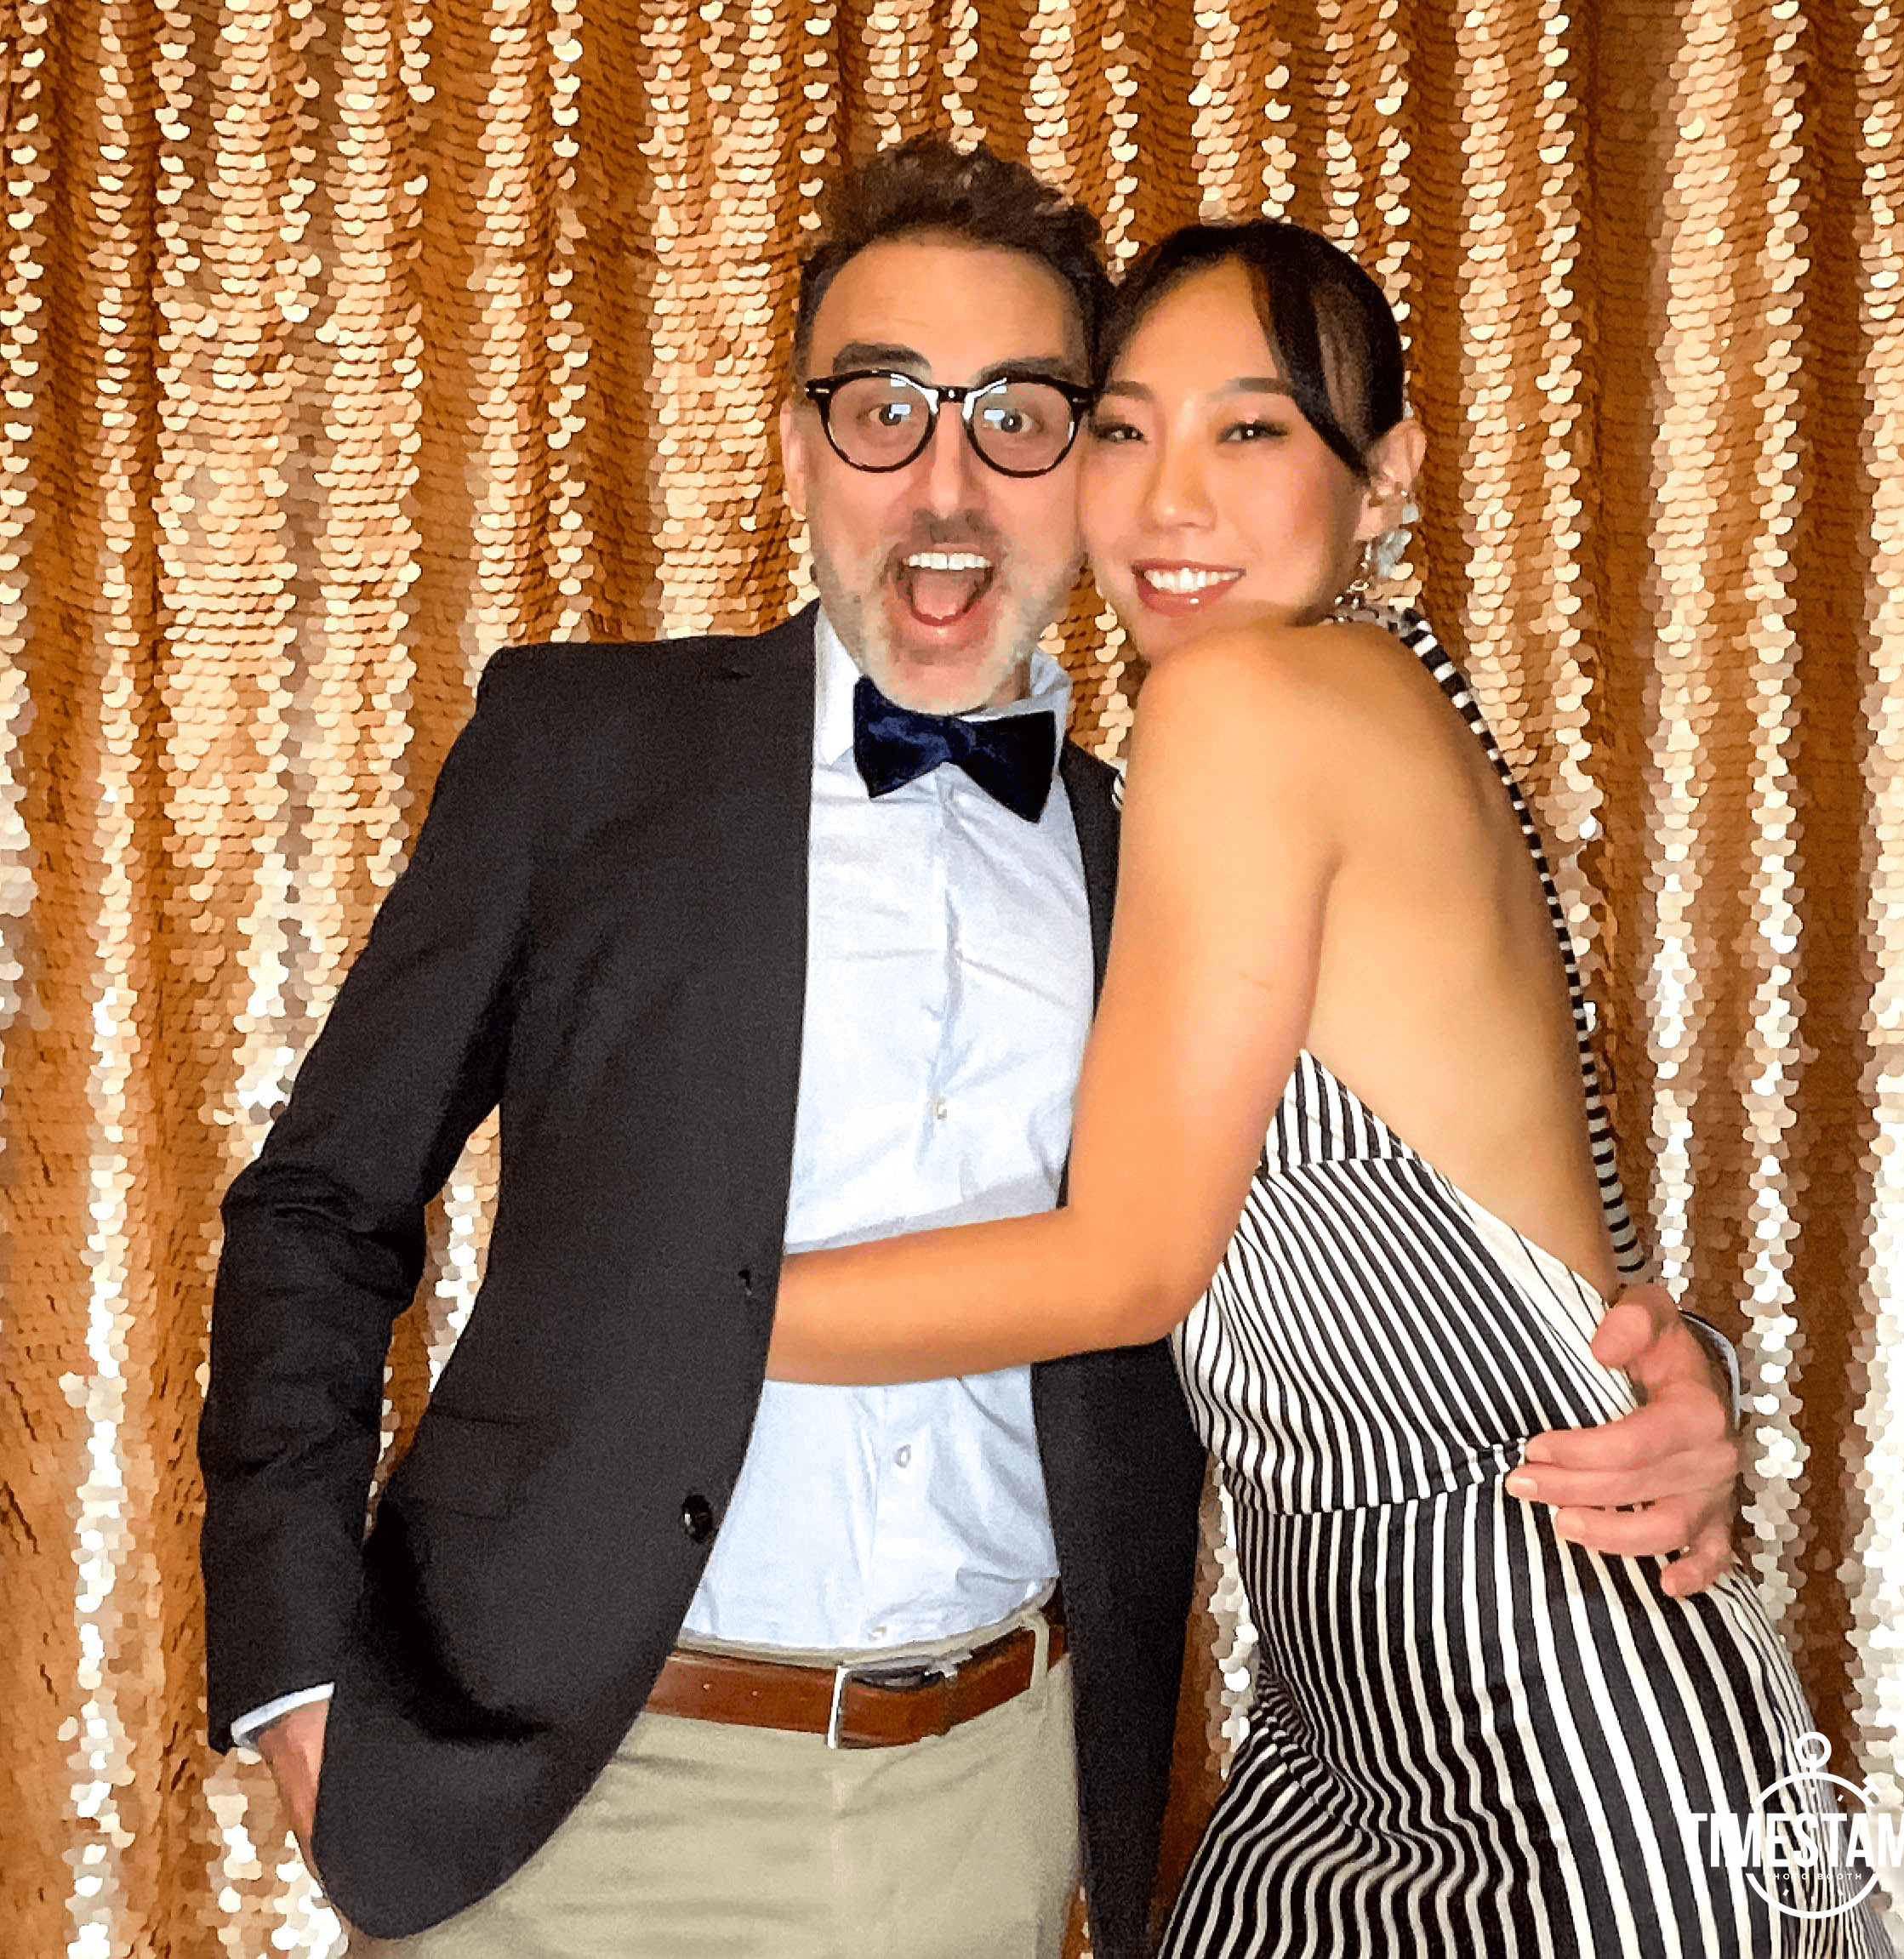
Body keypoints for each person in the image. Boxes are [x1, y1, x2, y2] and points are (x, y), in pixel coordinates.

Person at [199, 142, 1739, 1959]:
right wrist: (294, 1679)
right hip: (571, 1804)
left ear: (1073, 470)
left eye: (1018, 417)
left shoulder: (1166, 837)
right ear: (798, 448)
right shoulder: (584, 749)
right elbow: (318, 1205)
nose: (947, 483)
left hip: (1001, 1802)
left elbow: (1390, 1193)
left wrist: (1656, 1373)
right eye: (882, 411)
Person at [765, 223, 1888, 1956]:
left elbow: (1125, 1263)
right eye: (1125, 429)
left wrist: (670, 1322)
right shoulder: (1352, 705)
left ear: (1387, 480)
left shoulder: (1250, 703)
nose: (1169, 499)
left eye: (1251, 429)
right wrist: (1692, 1366)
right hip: (1349, 1725)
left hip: (1549, 1731)